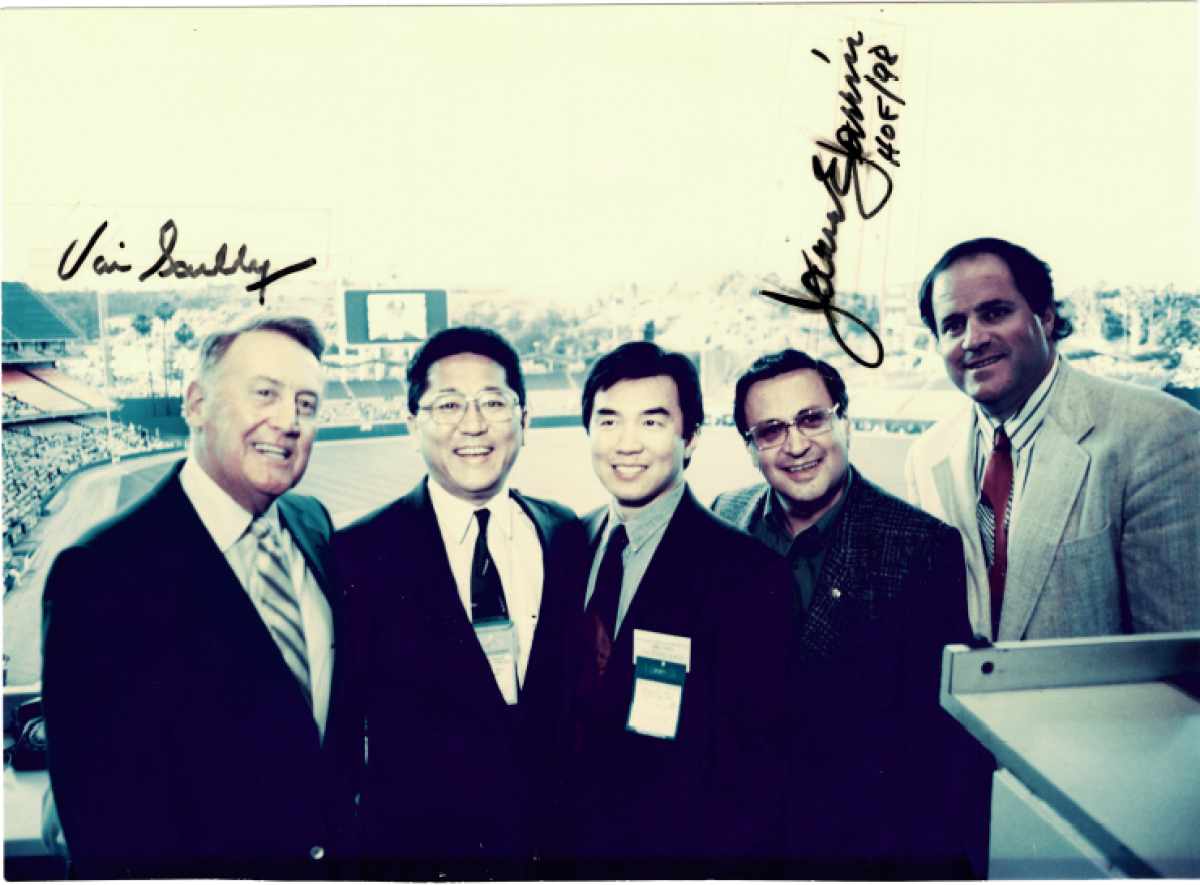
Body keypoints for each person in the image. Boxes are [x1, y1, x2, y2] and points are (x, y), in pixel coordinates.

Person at [41, 315, 359, 879]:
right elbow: (109, 829)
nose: (288, 421)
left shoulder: (313, 526)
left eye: (307, 405)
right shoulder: (99, 575)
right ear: (195, 404)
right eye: (265, 393)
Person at [712, 349, 988, 879]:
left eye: (812, 419)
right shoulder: (726, 513)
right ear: (750, 448)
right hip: (744, 845)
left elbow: (933, 750)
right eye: (769, 430)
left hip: (862, 851)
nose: (795, 445)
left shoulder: (923, 547)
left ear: (845, 421)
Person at [334, 327, 584, 880]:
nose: (473, 425)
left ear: (524, 420)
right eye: (448, 404)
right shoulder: (356, 556)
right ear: (411, 424)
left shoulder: (565, 533)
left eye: (493, 402)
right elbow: (342, 749)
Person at [571, 341, 794, 878]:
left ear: (689, 438)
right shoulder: (566, 544)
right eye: (608, 421)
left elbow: (754, 781)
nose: (627, 443)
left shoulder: (750, 574)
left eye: (652, 422)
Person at [906, 237, 1200, 641]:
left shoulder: (1155, 433)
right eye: (953, 325)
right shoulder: (926, 457)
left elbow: (1177, 660)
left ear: (1045, 317)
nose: (973, 339)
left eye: (994, 313)